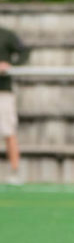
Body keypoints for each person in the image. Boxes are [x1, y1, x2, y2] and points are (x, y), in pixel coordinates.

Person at [0, 26, 29, 185]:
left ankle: (14, 171)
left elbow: (24, 52)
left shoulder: (6, 35)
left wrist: (10, 64)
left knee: (8, 131)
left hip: (2, 90)